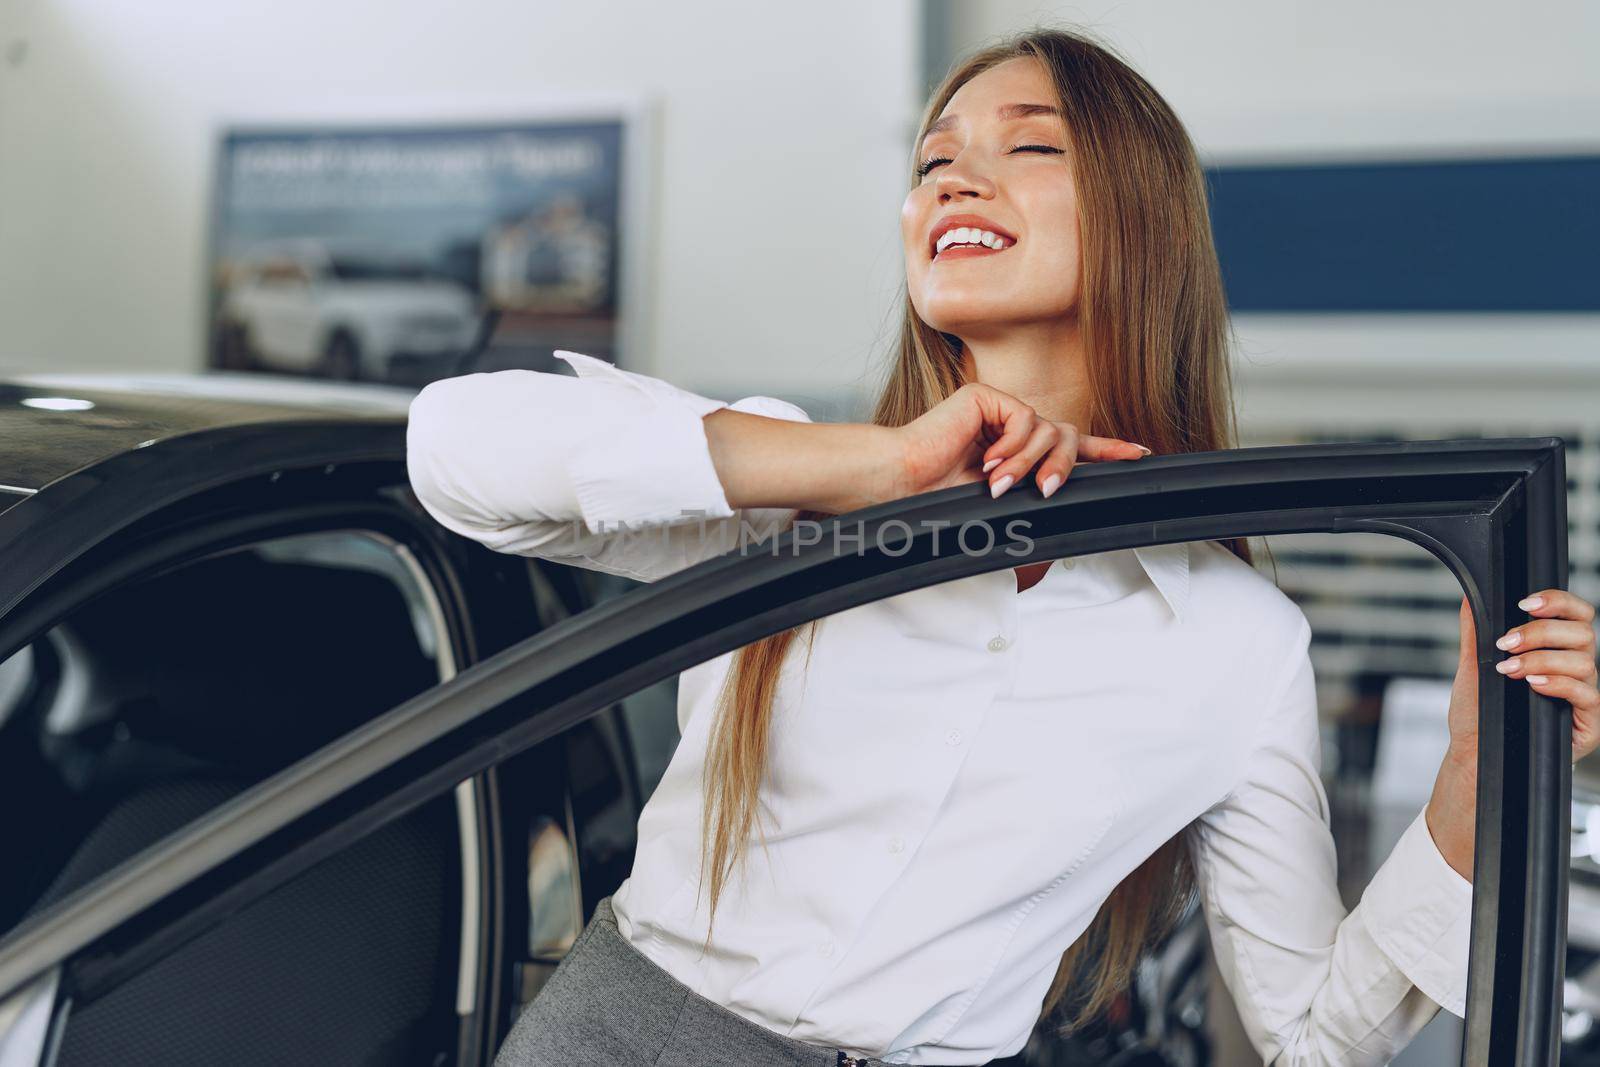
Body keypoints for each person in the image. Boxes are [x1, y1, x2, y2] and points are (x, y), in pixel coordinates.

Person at [404, 26, 1600, 1067]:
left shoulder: (1234, 639)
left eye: (1028, 146)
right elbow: (457, 451)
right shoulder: (796, 482)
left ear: (1143, 220)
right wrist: (879, 468)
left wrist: (1474, 773)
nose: (952, 180)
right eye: (930, 161)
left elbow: (1307, 1031)